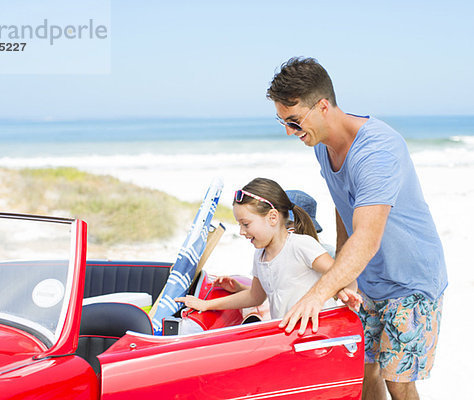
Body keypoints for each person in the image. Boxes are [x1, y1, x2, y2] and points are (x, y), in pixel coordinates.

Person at [267, 57, 448, 400]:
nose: (289, 131)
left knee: (398, 381)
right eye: (283, 122)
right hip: (367, 277)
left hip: (411, 279)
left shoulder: (377, 151)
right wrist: (344, 274)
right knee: (361, 368)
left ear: (322, 106)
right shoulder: (322, 145)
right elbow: (343, 203)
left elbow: (367, 237)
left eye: (293, 120)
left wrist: (318, 293)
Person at [175, 177, 360, 320]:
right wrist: (207, 305)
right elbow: (255, 296)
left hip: (319, 335)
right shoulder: (260, 255)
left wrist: (347, 292)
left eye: (246, 224)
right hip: (290, 335)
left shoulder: (301, 245)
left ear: (273, 217)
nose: (241, 231)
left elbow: (344, 274)